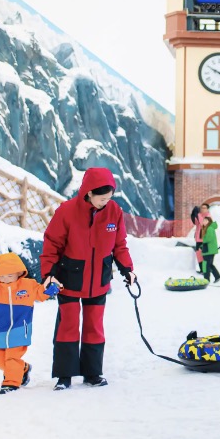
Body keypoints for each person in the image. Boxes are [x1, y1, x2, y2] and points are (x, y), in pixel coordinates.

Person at [41, 167, 136, 391]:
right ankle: (64, 376)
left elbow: (119, 245)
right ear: (88, 193)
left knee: (95, 327)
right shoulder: (66, 211)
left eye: (109, 198)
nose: (105, 202)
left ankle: (93, 373)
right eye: (102, 199)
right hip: (69, 279)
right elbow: (51, 244)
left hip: (99, 281)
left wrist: (128, 270)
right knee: (68, 327)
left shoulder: (115, 212)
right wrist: (49, 274)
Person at [0, 252, 54, 394]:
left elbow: (40, 293)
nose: (5, 279)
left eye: (9, 275)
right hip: (0, 331)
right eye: (2, 276)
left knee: (12, 358)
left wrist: (50, 289)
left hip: (20, 329)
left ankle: (11, 383)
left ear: (19, 273)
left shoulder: (28, 285)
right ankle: (23, 368)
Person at [200, 216, 220, 284]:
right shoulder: (209, 228)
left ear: (209, 222)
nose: (204, 222)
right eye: (203, 220)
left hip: (209, 250)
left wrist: (202, 241)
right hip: (210, 249)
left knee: (206, 264)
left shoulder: (209, 228)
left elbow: (208, 238)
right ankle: (217, 276)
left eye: (206, 221)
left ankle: (206, 279)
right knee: (210, 264)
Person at [193, 203, 210, 274]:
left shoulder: (208, 217)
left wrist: (198, 215)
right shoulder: (200, 215)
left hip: (204, 240)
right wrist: (194, 215)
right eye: (202, 208)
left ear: (207, 209)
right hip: (198, 239)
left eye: (204, 208)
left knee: (204, 256)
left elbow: (202, 223)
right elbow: (197, 223)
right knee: (198, 255)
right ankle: (202, 270)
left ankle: (206, 270)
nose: (203, 209)